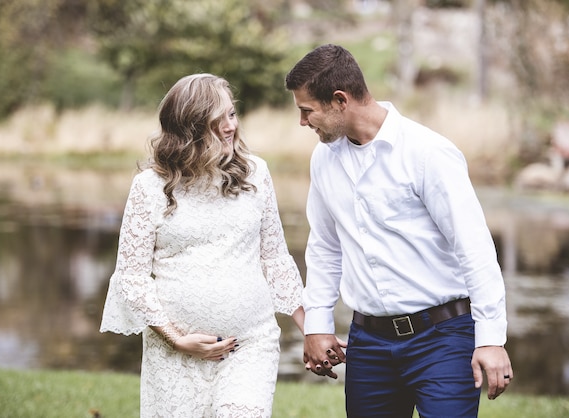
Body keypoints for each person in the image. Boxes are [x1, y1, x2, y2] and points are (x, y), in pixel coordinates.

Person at [285, 44, 513, 417]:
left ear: (339, 100)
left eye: (307, 110)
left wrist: (490, 340)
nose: (303, 122)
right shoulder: (324, 159)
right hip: (368, 344)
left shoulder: (428, 153)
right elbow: (326, 247)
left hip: (443, 339)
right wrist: (317, 324)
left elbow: (474, 249)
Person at [100, 73, 305, 417]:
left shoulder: (256, 173)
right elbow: (131, 277)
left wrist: (311, 328)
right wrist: (175, 338)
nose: (231, 127)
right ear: (189, 129)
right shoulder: (149, 187)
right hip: (174, 353)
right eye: (218, 120)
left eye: (232, 114)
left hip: (250, 343)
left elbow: (274, 257)